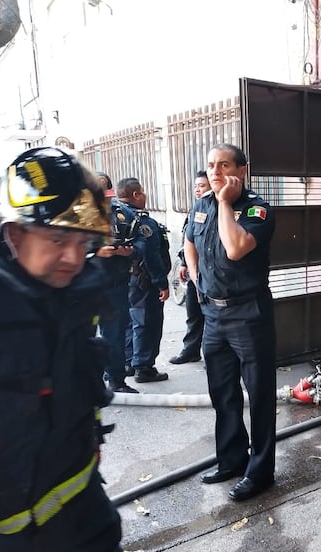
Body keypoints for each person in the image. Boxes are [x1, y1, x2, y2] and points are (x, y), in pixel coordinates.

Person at [0, 147, 138, 552]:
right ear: (12, 233)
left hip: (71, 510)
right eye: (57, 240)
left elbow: (77, 378)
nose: (74, 258)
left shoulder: (76, 289)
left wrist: (89, 443)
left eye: (83, 242)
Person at [185, 143, 277, 501]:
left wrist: (225, 202)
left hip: (248, 313)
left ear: (242, 170)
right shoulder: (201, 204)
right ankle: (231, 460)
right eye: (210, 165)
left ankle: (261, 471)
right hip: (212, 315)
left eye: (224, 165)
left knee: (259, 395)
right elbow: (189, 240)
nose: (215, 172)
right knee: (223, 393)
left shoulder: (257, 208)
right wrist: (195, 277)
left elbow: (236, 247)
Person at [93, 172, 143, 393]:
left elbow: (142, 244)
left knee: (115, 333)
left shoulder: (124, 214)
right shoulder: (74, 217)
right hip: (86, 286)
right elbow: (62, 248)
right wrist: (94, 252)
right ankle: (87, 382)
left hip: (116, 283)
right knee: (82, 336)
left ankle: (116, 379)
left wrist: (129, 251)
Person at [119, 177, 171, 383]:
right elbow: (152, 257)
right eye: (143, 191)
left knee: (130, 320)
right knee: (147, 322)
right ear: (136, 195)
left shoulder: (115, 216)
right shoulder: (142, 222)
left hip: (125, 280)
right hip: (144, 280)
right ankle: (144, 367)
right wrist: (162, 283)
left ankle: (129, 361)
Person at [170, 170, 209, 364]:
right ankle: (191, 350)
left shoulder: (220, 210)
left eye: (201, 186)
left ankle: (214, 355)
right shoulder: (195, 210)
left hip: (212, 274)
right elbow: (189, 239)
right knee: (193, 313)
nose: (197, 190)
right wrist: (185, 263)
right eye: (196, 186)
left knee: (212, 316)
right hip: (195, 272)